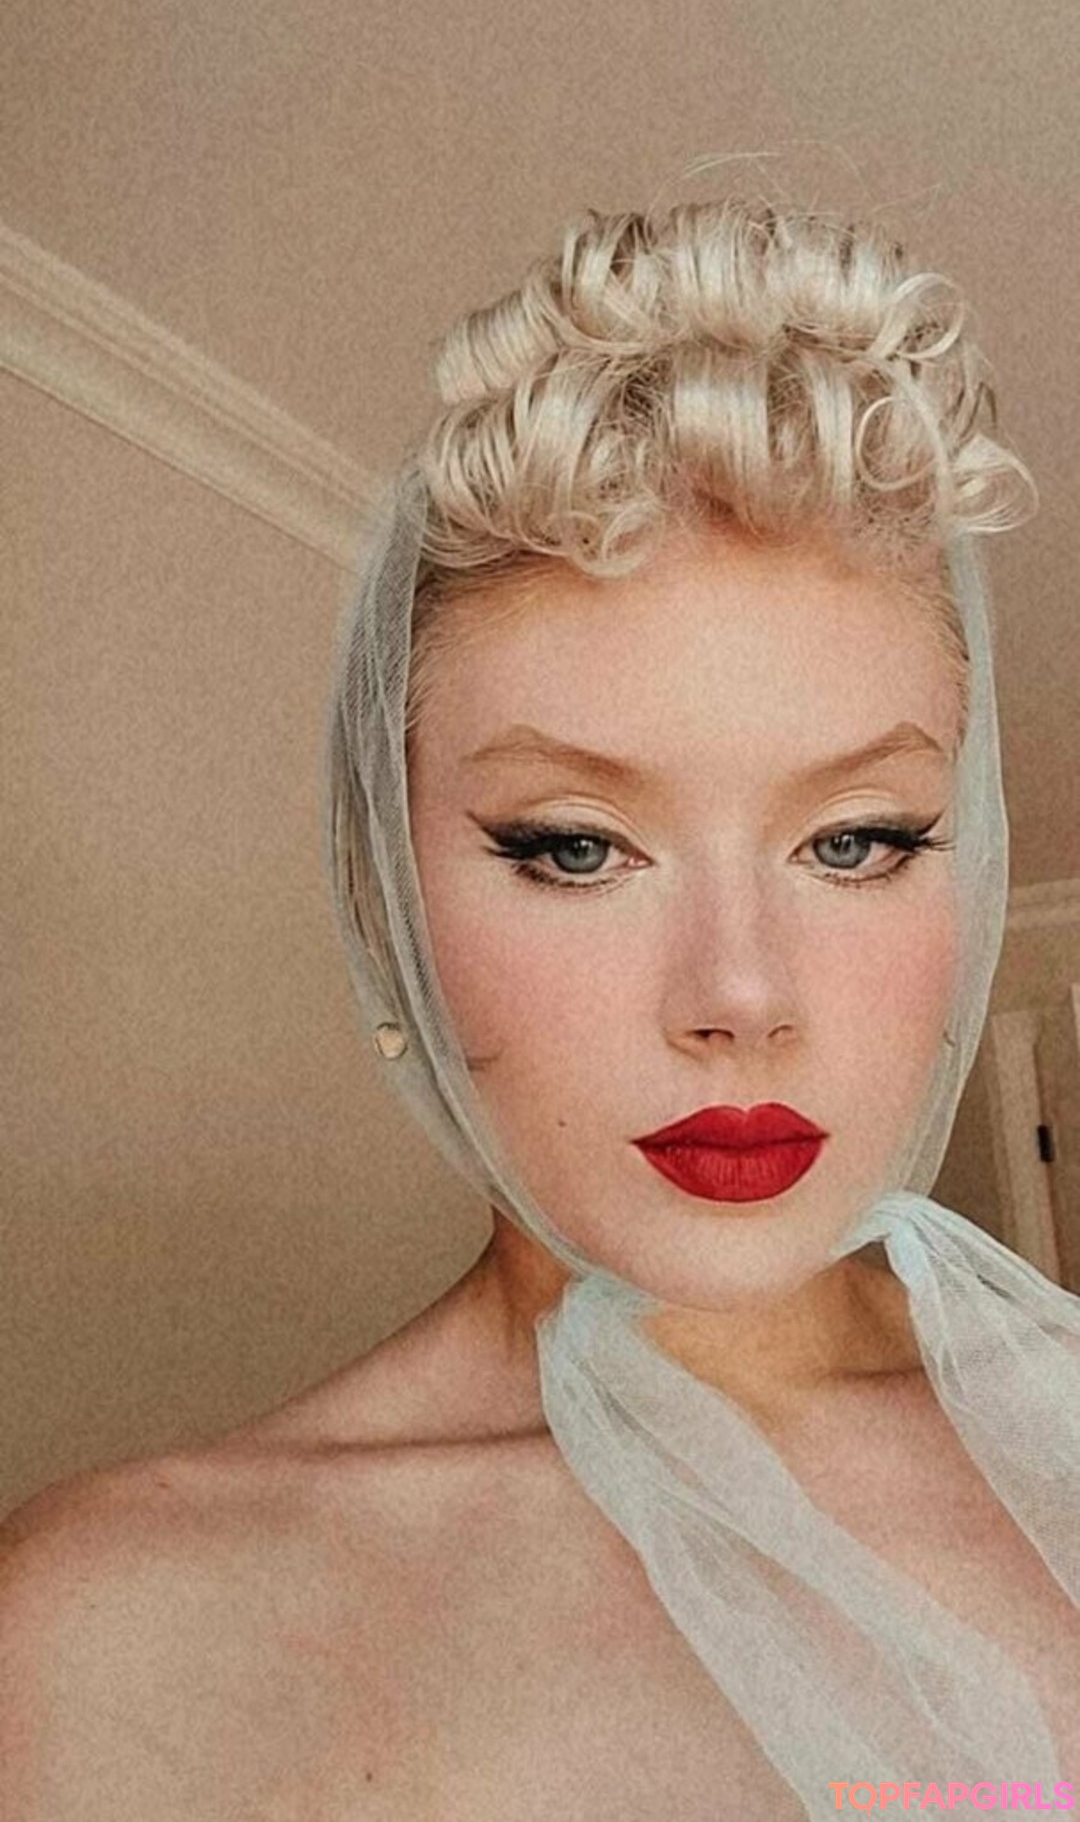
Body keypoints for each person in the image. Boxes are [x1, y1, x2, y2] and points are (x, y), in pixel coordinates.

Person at [2, 193, 1079, 1821]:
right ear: (389, 890)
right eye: (577, 846)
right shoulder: (112, 1639)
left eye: (856, 839)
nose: (740, 997)